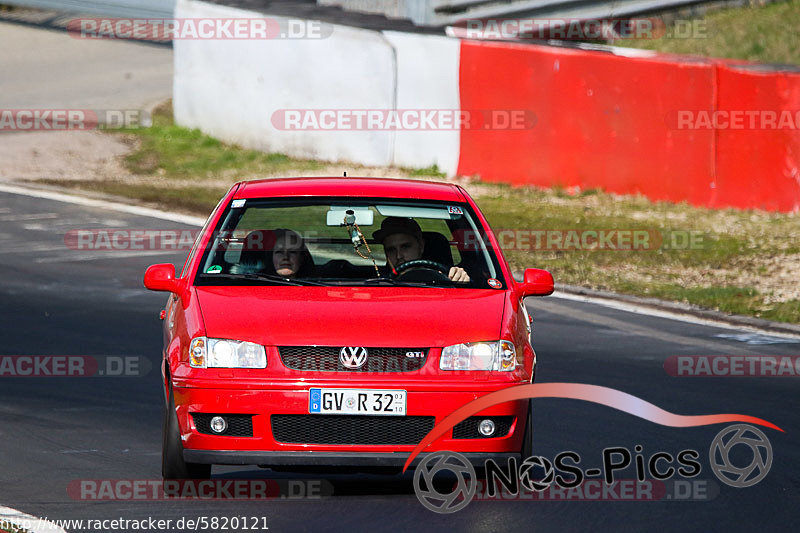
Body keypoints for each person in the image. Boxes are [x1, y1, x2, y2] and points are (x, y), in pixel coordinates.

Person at [372, 217, 470, 283]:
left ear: (421, 246)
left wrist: (461, 279)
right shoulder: (376, 283)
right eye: (391, 250)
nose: (399, 256)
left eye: (405, 247)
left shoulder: (447, 277)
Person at [233, 228, 315, 278]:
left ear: (301, 257)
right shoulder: (246, 288)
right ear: (270, 257)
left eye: (292, 252)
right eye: (279, 252)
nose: (285, 257)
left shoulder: (321, 286)